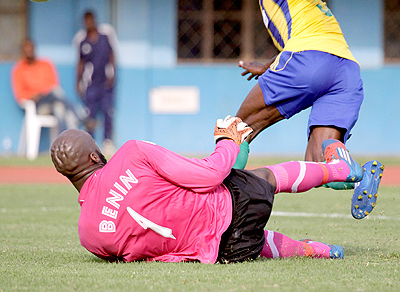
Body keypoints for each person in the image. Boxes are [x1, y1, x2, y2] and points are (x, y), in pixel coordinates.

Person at [50, 115, 375, 264]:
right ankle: (339, 169)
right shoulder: (131, 153)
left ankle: (314, 250)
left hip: (223, 252)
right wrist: (226, 142)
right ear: (95, 155)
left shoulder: (88, 235)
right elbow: (207, 175)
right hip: (236, 203)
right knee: (266, 177)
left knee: (258, 243)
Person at [227, 0, 364, 193]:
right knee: (320, 165)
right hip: (345, 70)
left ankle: (218, 192)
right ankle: (354, 171)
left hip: (308, 61)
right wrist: (267, 66)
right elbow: (309, 35)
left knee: (237, 129)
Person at [11, 38, 81, 133]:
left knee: (59, 107)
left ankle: (63, 142)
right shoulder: (18, 70)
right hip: (37, 105)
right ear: (22, 51)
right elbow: (20, 96)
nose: (29, 51)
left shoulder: (46, 64)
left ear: (34, 48)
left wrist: (44, 92)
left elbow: (54, 84)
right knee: (56, 92)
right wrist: (37, 95)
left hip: (51, 99)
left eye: (30, 48)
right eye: (26, 49)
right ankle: (81, 117)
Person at [75, 11, 117, 157]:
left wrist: (113, 75)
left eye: (90, 20)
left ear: (95, 20)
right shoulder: (82, 41)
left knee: (107, 112)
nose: (89, 23)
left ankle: (107, 141)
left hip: (105, 83)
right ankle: (90, 143)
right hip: (90, 84)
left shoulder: (106, 36)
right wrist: (78, 82)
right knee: (90, 114)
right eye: (86, 21)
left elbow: (112, 56)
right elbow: (80, 63)